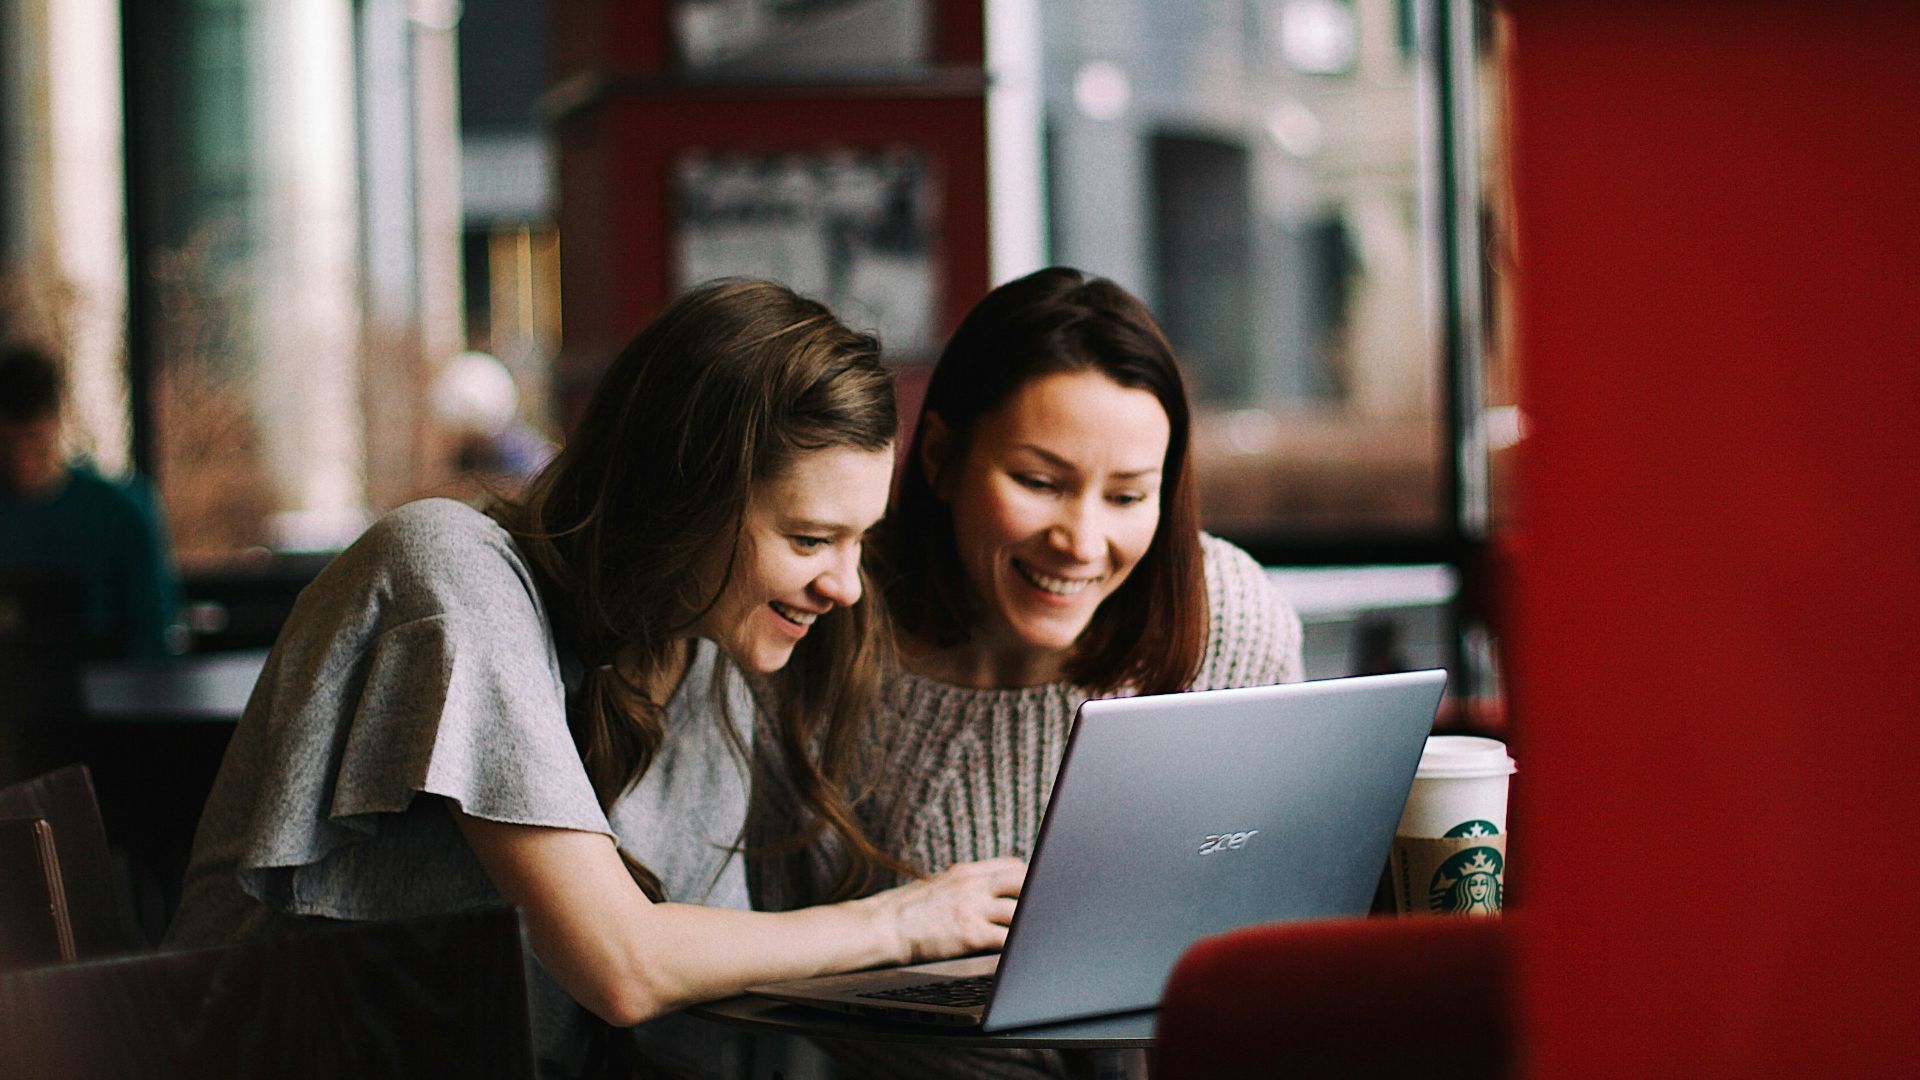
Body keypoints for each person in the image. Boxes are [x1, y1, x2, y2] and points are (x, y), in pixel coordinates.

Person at [166, 279, 1025, 1079]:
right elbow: (626, 968)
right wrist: (900, 922)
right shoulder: (448, 574)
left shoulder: (703, 666)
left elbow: (706, 988)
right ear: (683, 501)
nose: (844, 587)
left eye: (856, 541)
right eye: (808, 540)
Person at [749, 267, 1304, 1080]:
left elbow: (1280, 915)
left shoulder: (1230, 618)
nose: (1081, 541)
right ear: (939, 457)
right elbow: (773, 945)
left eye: (1127, 496)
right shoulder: (821, 625)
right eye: (1040, 483)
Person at [0, 341, 182, 660]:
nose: (22, 457)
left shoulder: (120, 513)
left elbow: (153, 637)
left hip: (107, 699)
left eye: (33, 439)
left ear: (56, 422)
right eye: (8, 443)